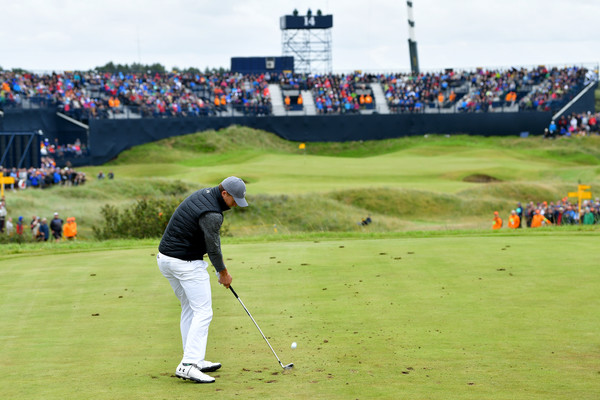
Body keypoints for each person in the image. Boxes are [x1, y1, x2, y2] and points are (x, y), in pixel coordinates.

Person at [157, 176, 248, 384]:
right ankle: (188, 365)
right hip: (184, 262)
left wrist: (218, 271)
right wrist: (223, 272)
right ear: (224, 193)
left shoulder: (205, 195)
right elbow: (213, 247)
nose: (235, 204)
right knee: (203, 311)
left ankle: (194, 359)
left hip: (166, 259)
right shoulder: (212, 214)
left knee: (190, 308)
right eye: (234, 199)